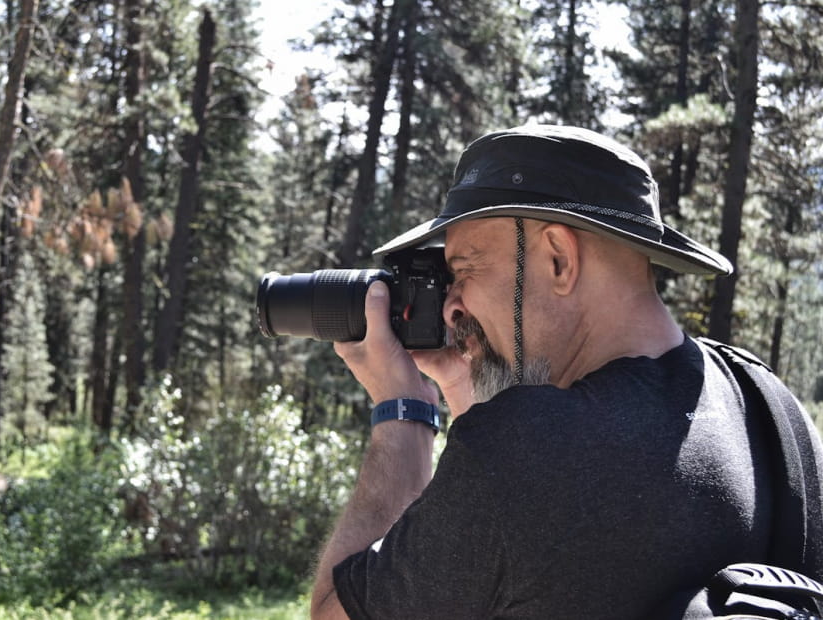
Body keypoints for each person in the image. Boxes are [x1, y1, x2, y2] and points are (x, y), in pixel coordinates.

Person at [308, 125, 823, 619]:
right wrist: (468, 389)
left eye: (463, 270)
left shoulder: (521, 454)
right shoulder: (771, 407)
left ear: (558, 260)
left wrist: (403, 406)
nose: (450, 306)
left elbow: (334, 614)